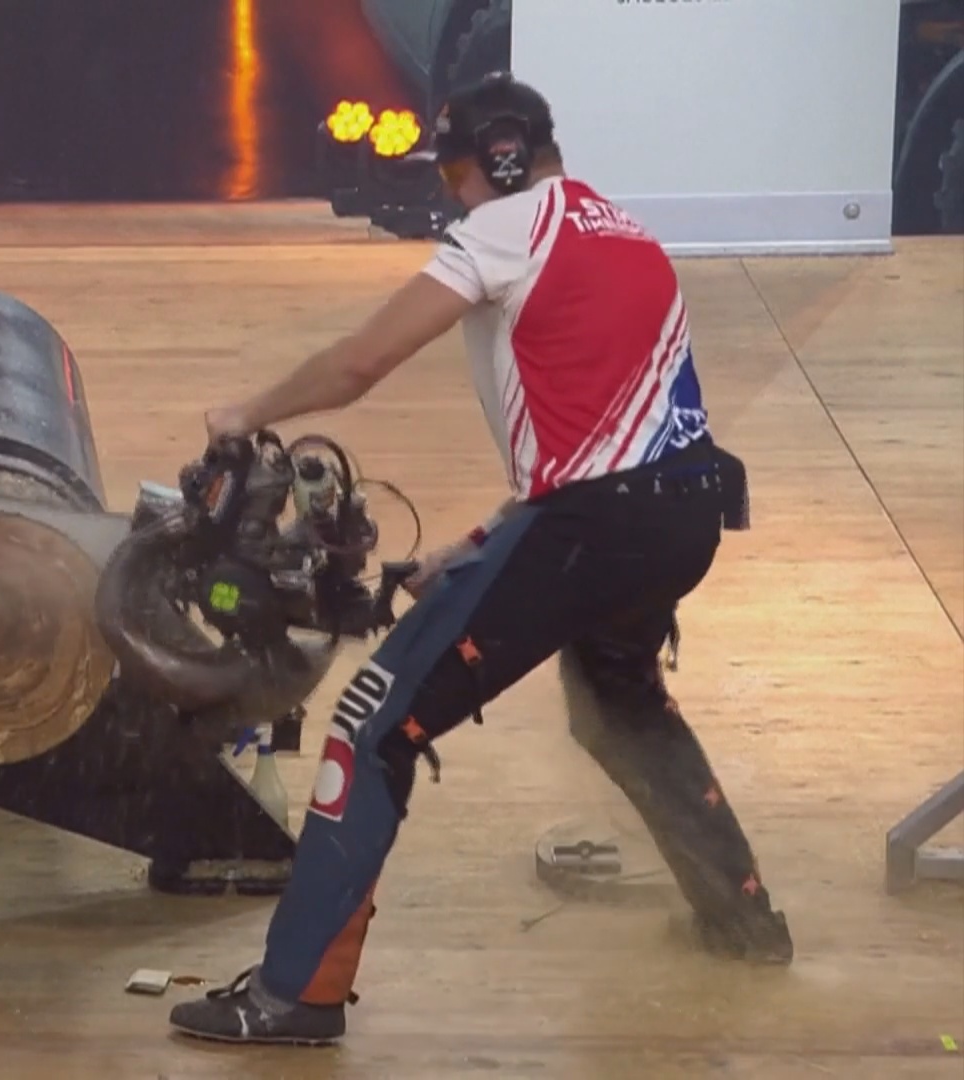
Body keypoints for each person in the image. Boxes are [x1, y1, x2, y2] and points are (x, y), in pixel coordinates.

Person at [167, 72, 794, 1048]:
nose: (450, 194)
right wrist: (475, 548)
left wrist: (245, 413)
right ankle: (743, 923)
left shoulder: (506, 227)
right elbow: (610, 440)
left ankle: (295, 996)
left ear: (496, 160)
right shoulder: (626, 230)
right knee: (620, 702)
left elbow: (360, 364)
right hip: (682, 514)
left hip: (592, 528)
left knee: (371, 731)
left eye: (452, 174)